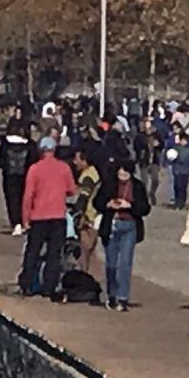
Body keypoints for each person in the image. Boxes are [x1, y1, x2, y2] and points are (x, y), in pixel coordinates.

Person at [19, 136, 77, 298]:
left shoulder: (35, 169)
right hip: (58, 216)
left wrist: (25, 219)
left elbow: (28, 196)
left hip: (38, 216)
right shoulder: (64, 168)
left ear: (41, 150)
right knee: (54, 254)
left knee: (33, 252)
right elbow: (71, 190)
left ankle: (27, 284)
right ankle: (49, 287)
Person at [95, 160, 151, 311]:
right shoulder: (109, 184)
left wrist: (130, 206)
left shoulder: (137, 186)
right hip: (111, 225)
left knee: (125, 263)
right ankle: (112, 294)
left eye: (125, 173)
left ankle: (123, 298)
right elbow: (97, 202)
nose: (123, 176)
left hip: (130, 226)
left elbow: (145, 208)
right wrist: (108, 204)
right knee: (111, 264)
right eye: (120, 173)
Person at [0, 121, 36, 235]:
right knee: (25, 198)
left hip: (9, 175)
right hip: (25, 175)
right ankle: (26, 221)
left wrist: (5, 167)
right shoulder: (30, 144)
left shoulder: (5, 143)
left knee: (11, 199)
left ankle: (15, 223)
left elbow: (1, 160)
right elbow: (34, 159)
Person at [73, 149, 101, 274]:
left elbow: (84, 196)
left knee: (85, 249)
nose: (75, 162)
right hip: (95, 214)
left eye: (77, 159)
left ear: (84, 161)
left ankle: (85, 276)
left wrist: (78, 212)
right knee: (90, 250)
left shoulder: (88, 176)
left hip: (90, 215)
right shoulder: (93, 172)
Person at [133, 120, 162, 206]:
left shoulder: (156, 135)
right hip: (144, 161)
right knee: (144, 182)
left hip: (154, 160)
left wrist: (158, 144)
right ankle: (144, 198)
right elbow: (136, 147)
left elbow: (162, 144)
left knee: (155, 180)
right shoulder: (139, 136)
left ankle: (152, 193)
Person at [169, 131, 189, 209]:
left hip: (185, 171)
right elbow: (171, 157)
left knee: (183, 187)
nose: (183, 142)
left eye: (185, 140)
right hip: (177, 170)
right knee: (176, 186)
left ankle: (182, 202)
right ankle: (177, 201)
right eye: (182, 140)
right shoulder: (175, 148)